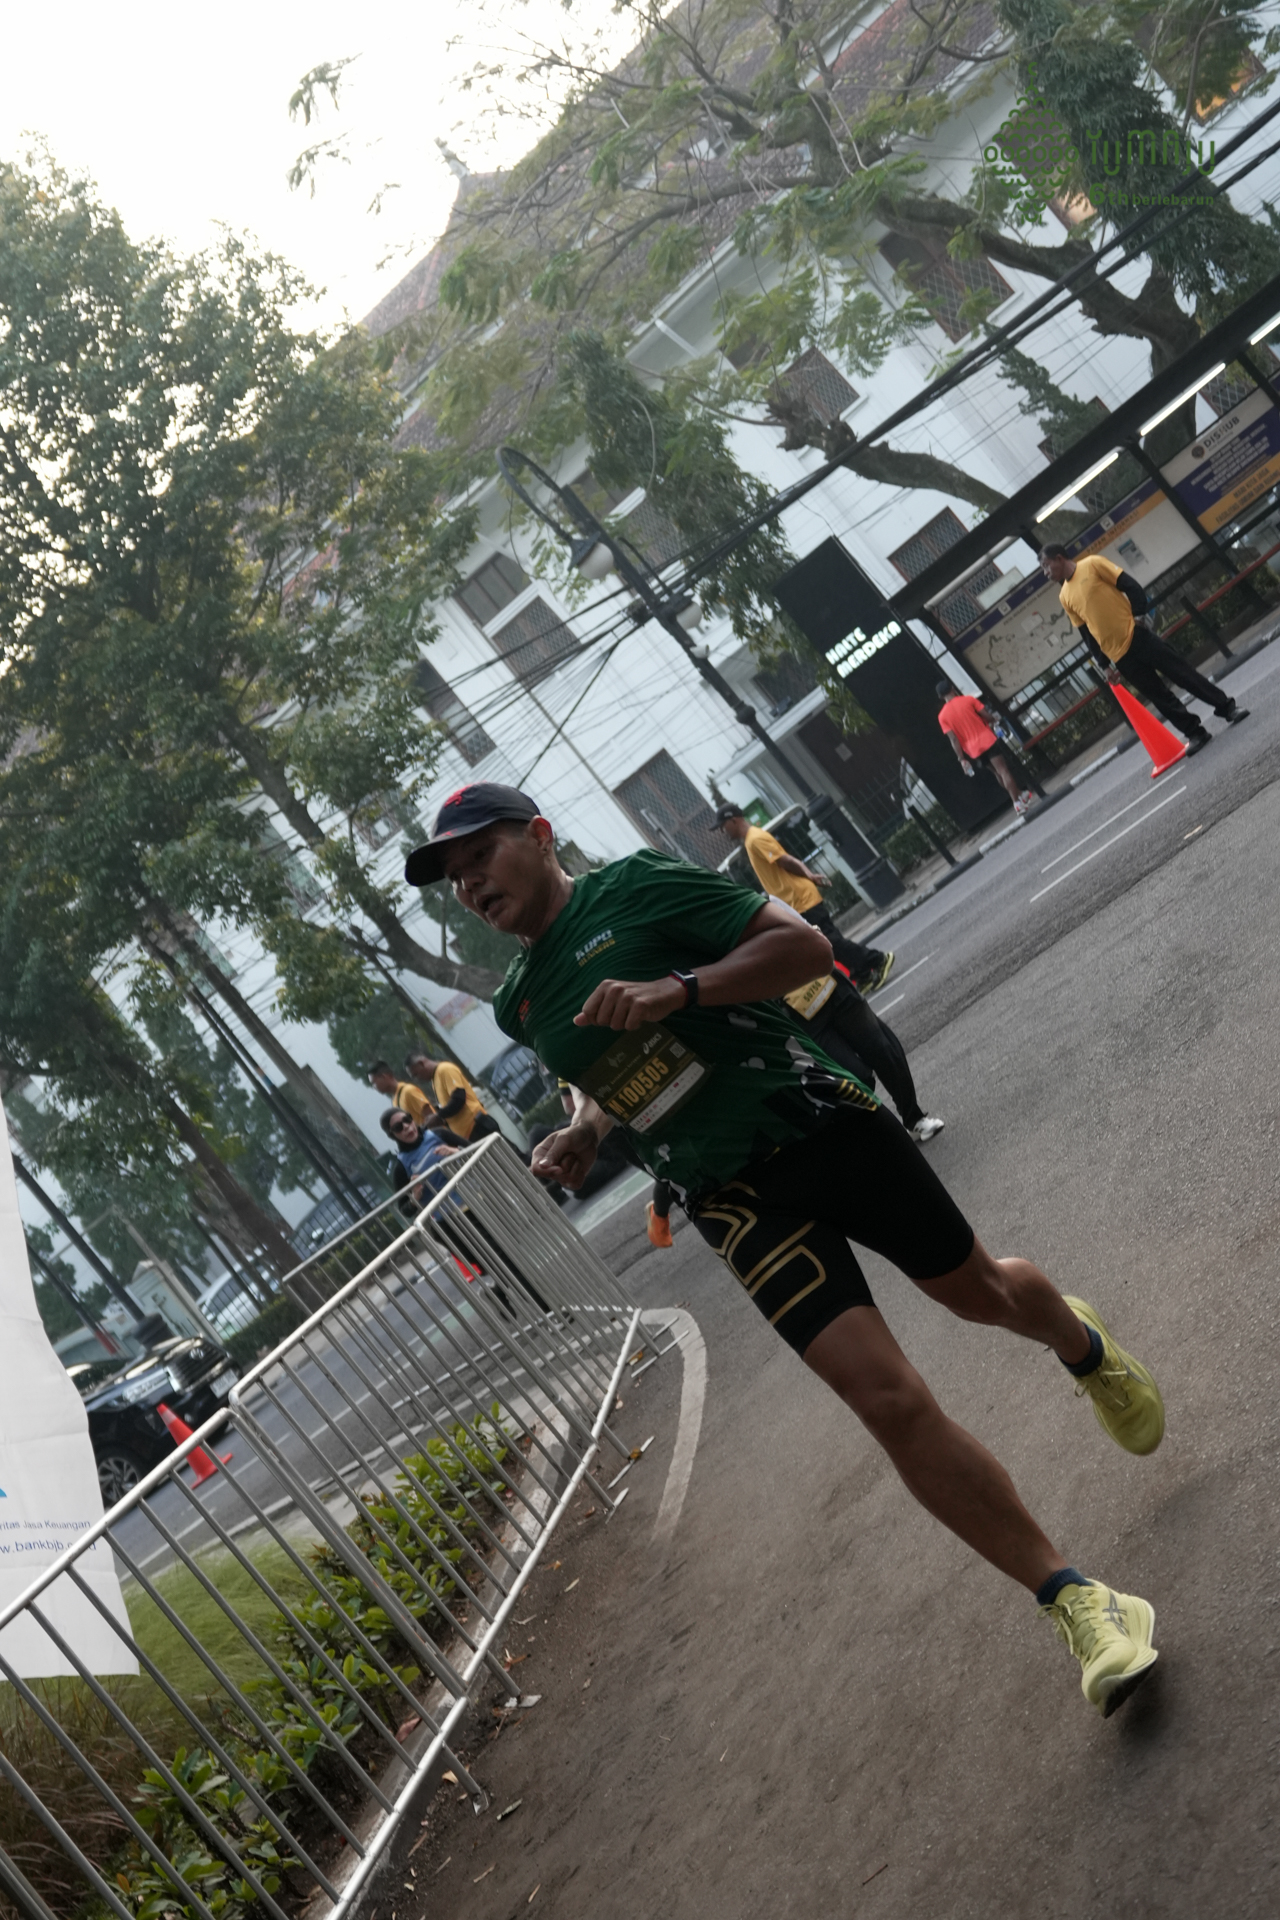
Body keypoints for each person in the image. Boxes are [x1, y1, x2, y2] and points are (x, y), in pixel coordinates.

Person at [405, 781, 1165, 1718]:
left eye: (480, 855)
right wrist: (587, 1130)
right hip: (729, 1197)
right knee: (887, 1401)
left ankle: (1083, 1348)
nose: (469, 884)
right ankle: (1077, 1601)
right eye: (453, 877)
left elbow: (803, 948)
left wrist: (680, 989)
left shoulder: (636, 887)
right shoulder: (518, 1003)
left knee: (981, 1293)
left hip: (816, 1122)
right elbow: (600, 1074)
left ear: (540, 835)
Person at [1039, 544, 1248, 750]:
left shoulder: (1092, 564)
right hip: (1120, 657)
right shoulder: (1064, 596)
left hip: (1138, 637)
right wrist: (1104, 665)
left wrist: (1139, 617)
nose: (1046, 573)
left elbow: (1131, 586)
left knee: (1183, 674)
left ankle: (1227, 708)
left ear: (1059, 558)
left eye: (1047, 566)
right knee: (1159, 696)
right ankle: (1195, 733)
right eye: (1043, 569)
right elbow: (1086, 633)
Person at [714, 802, 894, 995]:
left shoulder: (755, 839)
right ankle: (863, 974)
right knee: (829, 943)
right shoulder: (751, 840)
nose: (723, 832)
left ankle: (877, 959)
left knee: (828, 943)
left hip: (801, 900)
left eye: (723, 826)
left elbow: (786, 860)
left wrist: (809, 875)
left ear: (734, 820)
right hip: (796, 902)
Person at [786, 962, 944, 1144]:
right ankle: (879, 1139)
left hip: (831, 984)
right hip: (801, 1016)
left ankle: (914, 1119)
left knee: (884, 1051)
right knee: (855, 1079)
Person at [936, 681, 1035, 815]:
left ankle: (1020, 794)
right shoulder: (968, 699)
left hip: (973, 750)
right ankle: (1017, 803)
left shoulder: (942, 717)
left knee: (997, 774)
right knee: (1003, 771)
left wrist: (961, 758)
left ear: (941, 696)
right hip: (987, 739)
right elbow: (987, 716)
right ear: (952, 688)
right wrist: (993, 720)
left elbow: (953, 739)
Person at [404, 1049, 501, 1142]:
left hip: (477, 1126)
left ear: (421, 1064)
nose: (417, 1079)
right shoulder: (435, 1079)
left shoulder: (444, 1070)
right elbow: (450, 1108)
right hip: (470, 1133)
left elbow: (459, 1098)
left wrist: (438, 1115)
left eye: (416, 1074)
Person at [368, 1060, 435, 1129]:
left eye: (374, 1083)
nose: (374, 1087)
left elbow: (432, 1116)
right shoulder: (395, 1100)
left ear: (384, 1077)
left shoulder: (408, 1091)